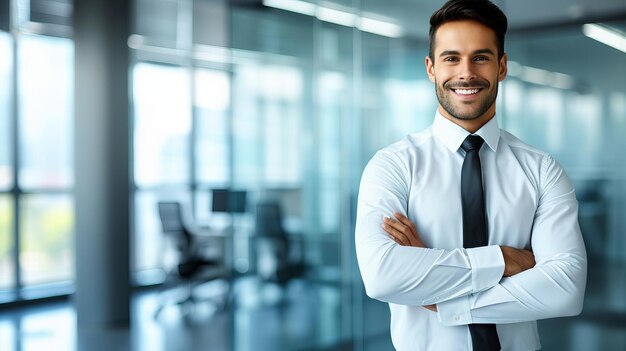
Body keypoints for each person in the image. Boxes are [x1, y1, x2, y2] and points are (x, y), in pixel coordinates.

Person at [354, 0, 587, 350]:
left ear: (502, 66)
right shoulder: (392, 165)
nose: (466, 73)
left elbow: (565, 289)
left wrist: (437, 295)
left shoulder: (541, 168)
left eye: (480, 57)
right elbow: (382, 276)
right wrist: (502, 260)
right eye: (451, 58)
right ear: (431, 68)